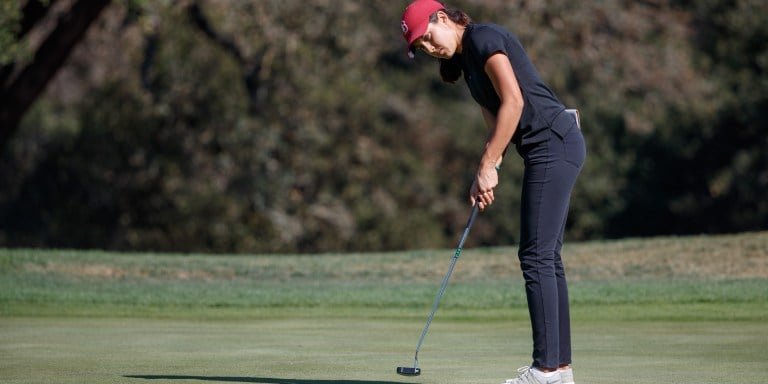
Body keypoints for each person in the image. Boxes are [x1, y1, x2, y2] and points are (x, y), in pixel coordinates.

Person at [400, 1, 587, 383]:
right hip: (549, 146)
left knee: (535, 256)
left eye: (428, 37)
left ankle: (545, 371)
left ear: (442, 18)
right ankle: (560, 370)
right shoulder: (468, 65)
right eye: (421, 48)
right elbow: (497, 124)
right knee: (546, 257)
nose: (430, 48)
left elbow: (514, 101)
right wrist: (485, 170)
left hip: (553, 142)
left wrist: (488, 164)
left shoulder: (483, 37)